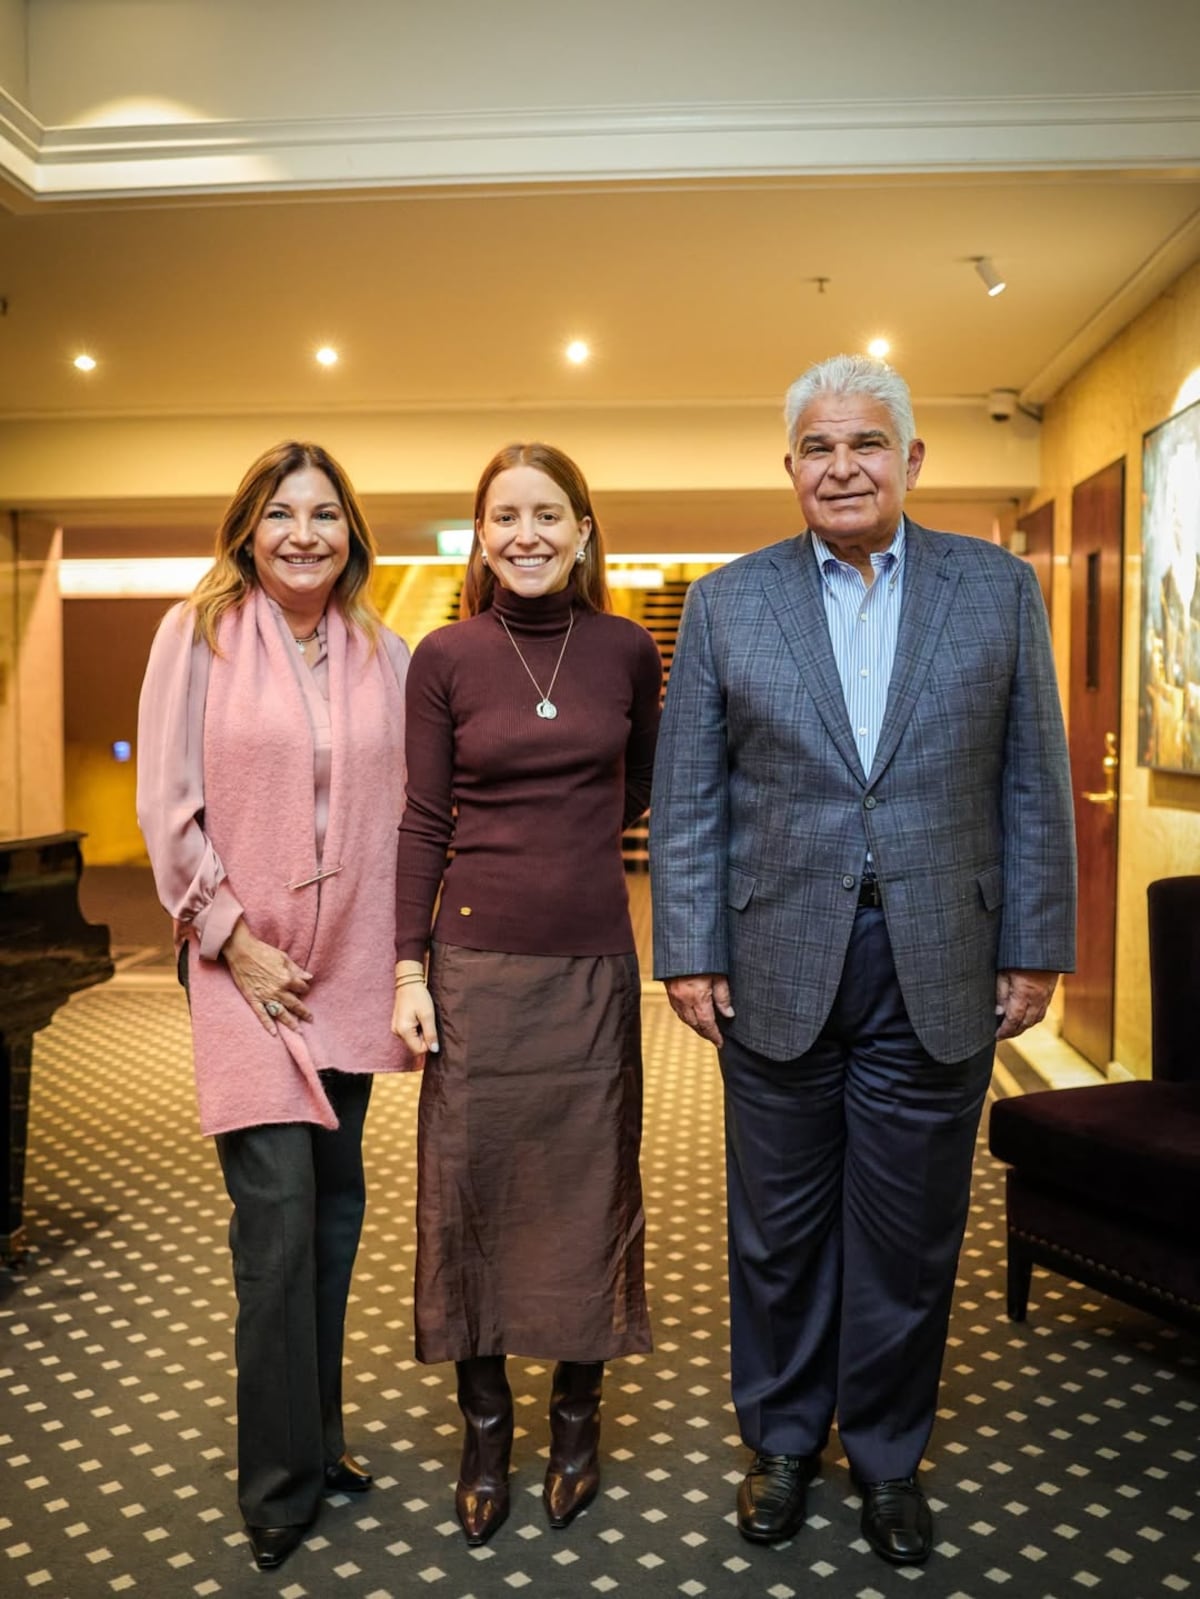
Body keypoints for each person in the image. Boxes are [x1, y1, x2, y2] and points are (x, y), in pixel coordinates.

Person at [649, 355, 1076, 1567]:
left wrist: (1034, 945)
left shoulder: (997, 592)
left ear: (911, 460)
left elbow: (1032, 780)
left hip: (941, 962)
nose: (843, 466)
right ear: (790, 469)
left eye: (867, 445)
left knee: (909, 1232)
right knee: (776, 1232)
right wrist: (689, 950)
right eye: (819, 449)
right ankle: (783, 1442)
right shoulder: (733, 603)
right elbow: (690, 799)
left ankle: (887, 1455)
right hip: (775, 963)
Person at [137, 441, 414, 1571]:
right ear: (248, 526)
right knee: (280, 1227)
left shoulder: (384, 652)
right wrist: (230, 938)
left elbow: (403, 809)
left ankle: (323, 1434)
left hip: (342, 972)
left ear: (353, 534)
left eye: (327, 515)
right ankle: (277, 1484)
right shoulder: (194, 635)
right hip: (243, 973)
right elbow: (168, 805)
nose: (305, 533)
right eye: (283, 513)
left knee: (338, 1221)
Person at [391, 441, 661, 1546]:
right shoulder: (444, 654)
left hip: (593, 964)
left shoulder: (626, 651)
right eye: (505, 516)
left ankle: (580, 1422)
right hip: (475, 972)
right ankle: (487, 1429)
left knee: (591, 1194)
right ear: (480, 534)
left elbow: (642, 783)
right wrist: (409, 965)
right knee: (474, 1197)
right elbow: (422, 821)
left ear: (584, 530)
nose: (527, 534)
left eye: (548, 514)